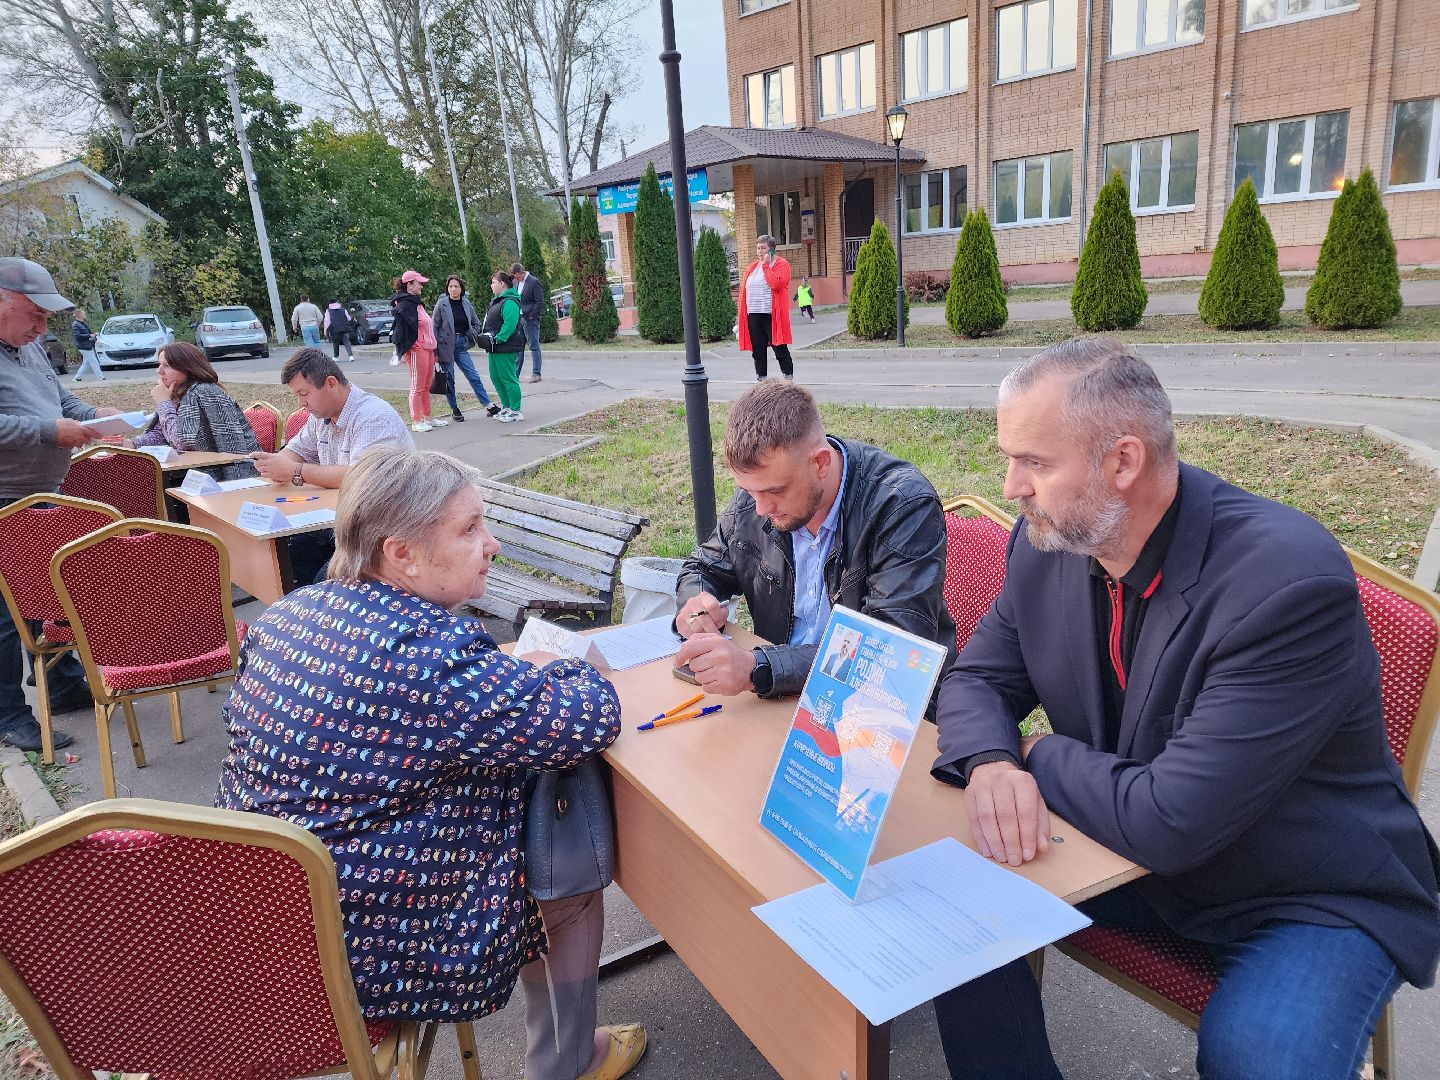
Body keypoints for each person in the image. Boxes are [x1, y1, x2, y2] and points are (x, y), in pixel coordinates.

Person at [930, 338, 1440, 1080]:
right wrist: (991, 760)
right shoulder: (1051, 545)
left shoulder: (1285, 585)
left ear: (1122, 463)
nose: (1012, 486)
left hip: (1300, 892)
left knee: (1259, 1056)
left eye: (1034, 462)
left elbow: (1173, 822)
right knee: (945, 897)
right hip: (1126, 849)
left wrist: (1037, 756)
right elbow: (976, 681)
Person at [215, 446, 648, 1080]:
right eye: (470, 528)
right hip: (362, 943)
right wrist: (575, 669)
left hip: (256, 914)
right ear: (402, 554)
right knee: (563, 869)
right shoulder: (427, 652)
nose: (491, 544)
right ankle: (567, 1061)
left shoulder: (288, 616)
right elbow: (586, 720)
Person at [674, 379, 955, 699]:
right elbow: (702, 567)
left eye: (774, 491)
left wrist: (758, 667)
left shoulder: (901, 504)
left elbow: (889, 650)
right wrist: (697, 602)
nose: (762, 508)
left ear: (820, 462)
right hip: (785, 694)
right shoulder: (757, 497)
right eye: (749, 491)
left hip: (882, 705)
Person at [0, 257, 122, 752]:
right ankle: (7, 714)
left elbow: (61, 402)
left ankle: (63, 681)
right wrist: (52, 432)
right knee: (6, 617)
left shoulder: (28, 350)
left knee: (50, 594)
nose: (43, 327)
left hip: (44, 495)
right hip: (5, 503)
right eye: (36, 314)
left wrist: (99, 416)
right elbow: (41, 423)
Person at [249, 348, 413, 585]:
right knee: (285, 562)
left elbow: (362, 477)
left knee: (317, 583)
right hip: (339, 523)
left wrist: (295, 472)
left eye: (304, 394)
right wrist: (278, 464)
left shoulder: (372, 416)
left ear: (331, 383)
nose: (301, 403)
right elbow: (295, 452)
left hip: (381, 533)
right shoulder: (320, 418)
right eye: (297, 396)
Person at [131, 342, 261, 480]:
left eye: (167, 365)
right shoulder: (179, 394)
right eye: (159, 364)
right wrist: (132, 444)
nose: (159, 371)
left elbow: (181, 441)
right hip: (198, 474)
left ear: (187, 368)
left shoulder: (203, 392)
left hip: (229, 476)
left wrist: (163, 403)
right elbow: (162, 434)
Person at [429, 275, 500, 422]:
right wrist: (434, 351)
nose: (453, 289)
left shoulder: (466, 304)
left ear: (461, 289)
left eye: (456, 286)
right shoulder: (441, 304)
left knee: (473, 376)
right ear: (447, 289)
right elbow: (434, 328)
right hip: (445, 346)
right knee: (450, 379)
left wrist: (471, 334)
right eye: (450, 287)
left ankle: (488, 404)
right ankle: (455, 409)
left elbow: (476, 323)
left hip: (461, 344)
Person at [736, 235, 793, 381]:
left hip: (771, 314)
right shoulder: (752, 267)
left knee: (779, 348)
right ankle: (761, 381)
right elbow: (745, 291)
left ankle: (789, 380)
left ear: (772, 249)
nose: (760, 251)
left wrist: (767, 266)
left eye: (764, 248)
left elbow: (777, 284)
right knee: (758, 350)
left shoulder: (781, 264)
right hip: (753, 314)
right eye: (758, 248)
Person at [390, 271, 441, 432]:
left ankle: (428, 418)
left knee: (426, 386)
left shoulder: (417, 303)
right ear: (409, 284)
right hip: (416, 349)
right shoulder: (404, 305)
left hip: (428, 349)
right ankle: (416, 420)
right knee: (417, 386)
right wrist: (404, 349)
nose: (421, 285)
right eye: (418, 283)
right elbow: (400, 331)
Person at [478, 271, 525, 423]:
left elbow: (509, 325)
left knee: (508, 378)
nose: (491, 285)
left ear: (502, 284)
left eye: (493, 282)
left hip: (505, 346)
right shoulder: (498, 301)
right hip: (494, 347)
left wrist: (498, 339)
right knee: (496, 377)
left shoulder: (510, 301)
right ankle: (507, 407)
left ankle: (516, 410)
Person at [512, 261, 544, 383]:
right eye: (515, 277)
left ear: (522, 272)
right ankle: (515, 374)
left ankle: (536, 373)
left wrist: (531, 316)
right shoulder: (516, 283)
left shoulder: (533, 282)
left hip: (530, 320)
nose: (517, 279)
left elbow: (539, 301)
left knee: (533, 346)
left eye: (517, 276)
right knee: (519, 347)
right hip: (520, 319)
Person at [69, 307, 104, 383]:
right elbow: (77, 336)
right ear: (80, 315)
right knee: (94, 362)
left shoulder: (82, 323)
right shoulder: (76, 325)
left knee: (86, 363)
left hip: (87, 345)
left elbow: (86, 333)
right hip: (84, 346)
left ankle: (77, 378)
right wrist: (90, 335)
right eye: (84, 314)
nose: (85, 315)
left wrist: (92, 336)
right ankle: (100, 377)